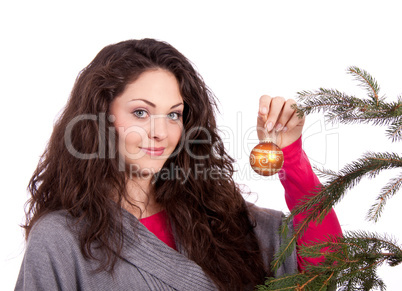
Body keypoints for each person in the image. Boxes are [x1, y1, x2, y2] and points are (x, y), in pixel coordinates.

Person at [15, 38, 342, 291]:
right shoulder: (61, 239)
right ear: (102, 116)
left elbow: (326, 265)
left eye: (173, 114)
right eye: (140, 112)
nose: (160, 133)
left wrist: (291, 156)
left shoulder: (217, 215)